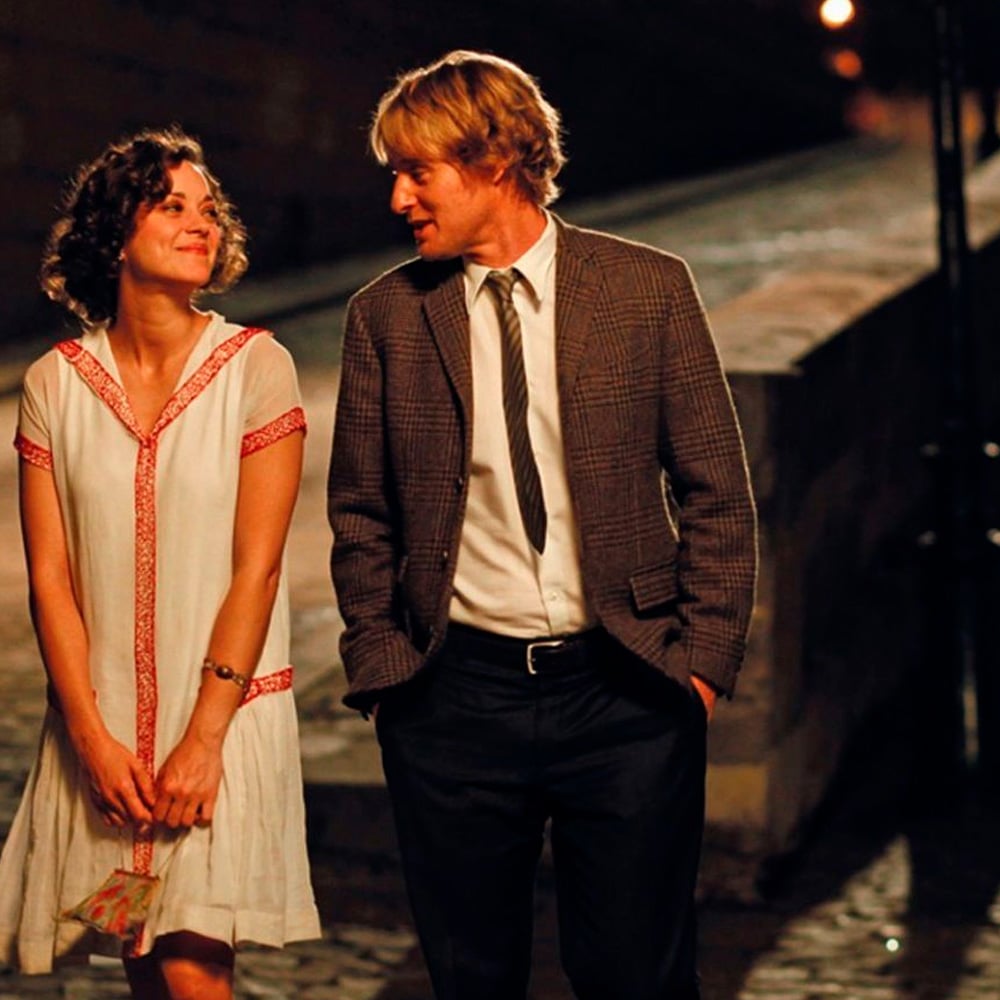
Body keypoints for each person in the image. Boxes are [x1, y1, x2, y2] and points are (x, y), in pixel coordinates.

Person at [327, 50, 757, 1000]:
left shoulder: (647, 290)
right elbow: (361, 515)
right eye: (393, 173)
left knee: (636, 977)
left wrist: (701, 669)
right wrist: (388, 677)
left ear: (494, 163)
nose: (399, 198)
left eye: (417, 172)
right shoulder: (386, 318)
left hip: (628, 690)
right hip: (452, 701)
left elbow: (718, 493)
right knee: (472, 978)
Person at [0, 127, 320, 998]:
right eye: (172, 205)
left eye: (209, 208)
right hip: (104, 743)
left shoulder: (256, 367)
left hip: (219, 720)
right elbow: (52, 582)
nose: (200, 222)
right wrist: (91, 741)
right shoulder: (55, 386)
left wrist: (205, 740)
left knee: (191, 964)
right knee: (140, 954)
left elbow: (256, 570)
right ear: (115, 230)